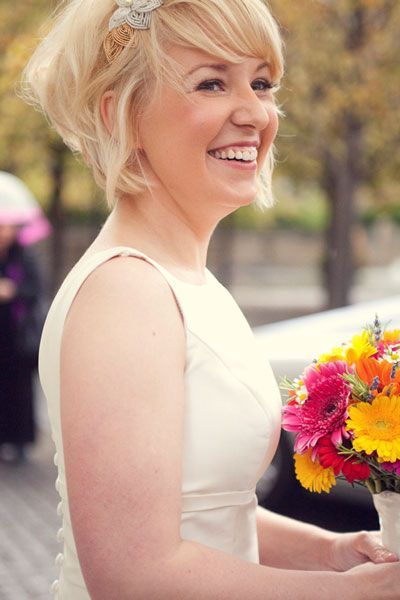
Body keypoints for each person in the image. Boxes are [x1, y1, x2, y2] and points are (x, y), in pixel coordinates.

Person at [21, 0, 400, 598]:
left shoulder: (186, 282)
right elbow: (133, 574)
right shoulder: (126, 292)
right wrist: (362, 593)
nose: (254, 112)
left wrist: (329, 553)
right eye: (211, 83)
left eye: (261, 82)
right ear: (121, 113)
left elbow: (201, 511)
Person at [0, 171, 49, 462]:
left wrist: (12, 290)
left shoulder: (24, 256)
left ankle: (19, 442)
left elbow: (36, 289)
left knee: (19, 390)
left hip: (16, 334)